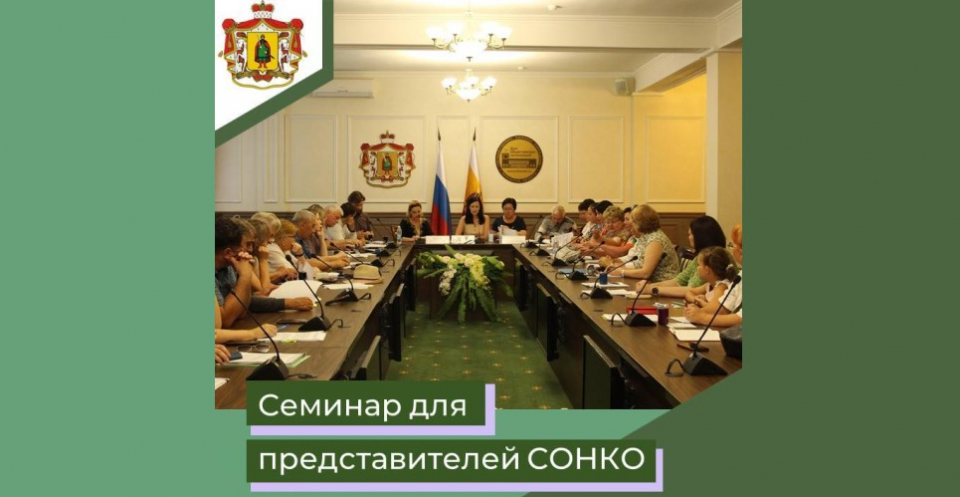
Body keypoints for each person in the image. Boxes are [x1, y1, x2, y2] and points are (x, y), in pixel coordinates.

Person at [215, 217, 314, 328]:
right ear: (228, 252)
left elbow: (242, 310)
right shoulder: (233, 263)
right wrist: (245, 276)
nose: (250, 249)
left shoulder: (228, 266)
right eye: (246, 244)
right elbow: (226, 320)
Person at [635, 215, 729, 297]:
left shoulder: (716, 257)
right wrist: (649, 287)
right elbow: (678, 281)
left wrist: (653, 289)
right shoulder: (701, 255)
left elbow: (692, 290)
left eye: (690, 234)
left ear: (701, 236)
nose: (688, 237)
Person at [685, 224, 742, 328]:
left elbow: (740, 318)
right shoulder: (741, 275)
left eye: (732, 245)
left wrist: (701, 317)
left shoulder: (722, 285)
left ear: (740, 252)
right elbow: (723, 307)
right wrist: (697, 311)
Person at [609, 205, 680, 283]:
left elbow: (646, 273)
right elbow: (638, 265)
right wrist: (617, 268)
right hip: (646, 282)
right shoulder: (645, 236)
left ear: (641, 223)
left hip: (661, 285)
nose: (631, 224)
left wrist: (621, 272)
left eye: (633, 222)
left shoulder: (655, 240)